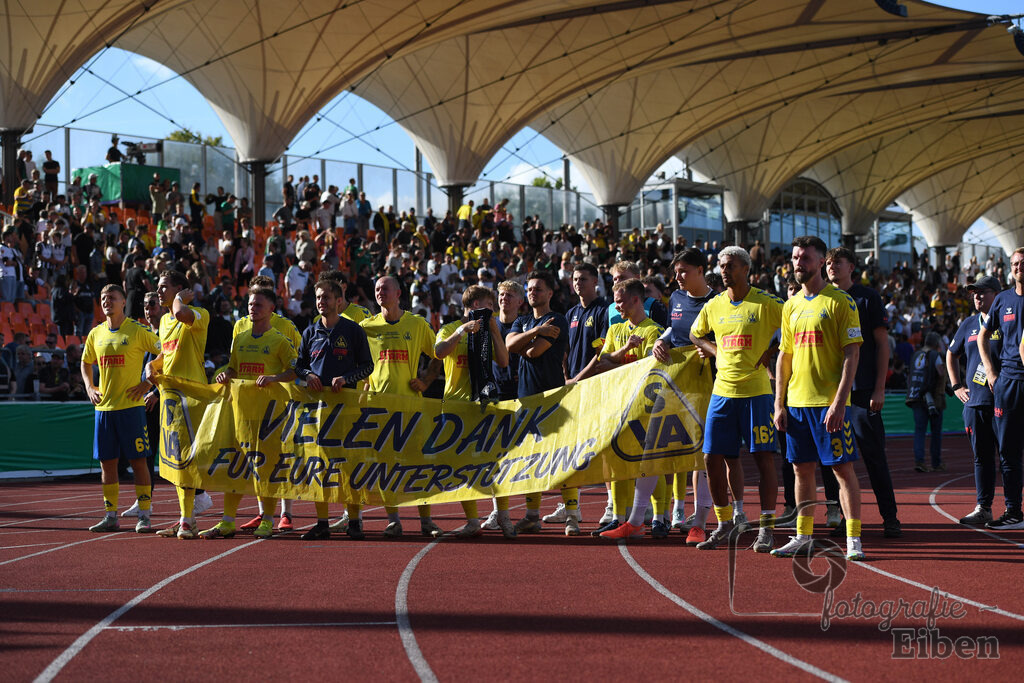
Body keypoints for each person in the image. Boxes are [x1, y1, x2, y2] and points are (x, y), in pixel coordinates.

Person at [679, 246, 782, 553]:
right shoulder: (714, 305)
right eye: (722, 266)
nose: (724, 270)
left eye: (731, 265)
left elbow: (793, 325)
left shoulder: (766, 302)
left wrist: (772, 350)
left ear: (746, 269)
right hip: (722, 392)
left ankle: (766, 528)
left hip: (757, 393)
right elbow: (695, 334)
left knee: (763, 459)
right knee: (711, 457)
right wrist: (715, 351)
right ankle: (725, 523)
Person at [772, 236, 866, 562]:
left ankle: (853, 538)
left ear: (821, 262)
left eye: (805, 258)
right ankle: (803, 536)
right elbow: (784, 356)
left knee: (842, 470)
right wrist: (779, 403)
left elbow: (852, 353)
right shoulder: (790, 305)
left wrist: (839, 402)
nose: (799, 263)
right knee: (801, 470)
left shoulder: (841, 302)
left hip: (829, 403)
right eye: (795, 257)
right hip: (797, 403)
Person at [565, 278, 663, 538]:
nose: (616, 306)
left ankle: (660, 517)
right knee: (617, 459)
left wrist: (616, 363)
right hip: (617, 403)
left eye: (620, 302)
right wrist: (626, 350)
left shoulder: (653, 330)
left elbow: (647, 367)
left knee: (651, 462)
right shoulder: (615, 329)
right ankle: (619, 518)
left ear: (636, 300)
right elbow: (603, 361)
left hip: (644, 406)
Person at [202, 286, 297, 540]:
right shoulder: (241, 338)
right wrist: (225, 374)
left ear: (271, 309)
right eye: (250, 304)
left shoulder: (279, 340)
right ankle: (227, 520)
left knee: (265, 468)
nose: (252, 308)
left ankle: (268, 519)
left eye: (258, 305)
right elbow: (233, 368)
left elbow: (294, 371)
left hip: (269, 417)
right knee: (235, 467)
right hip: (241, 414)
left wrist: (274, 378)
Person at [825, 247, 902, 538]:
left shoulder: (867, 298)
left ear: (852, 267)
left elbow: (882, 344)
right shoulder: (821, 298)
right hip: (830, 394)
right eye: (828, 263)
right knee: (835, 461)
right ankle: (845, 519)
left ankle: (890, 517)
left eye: (838, 262)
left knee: (874, 458)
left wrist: (879, 388)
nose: (832, 267)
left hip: (862, 392)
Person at [291, 279, 374, 541]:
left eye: (326, 297)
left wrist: (347, 379)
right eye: (318, 297)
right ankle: (322, 522)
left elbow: (368, 366)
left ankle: (354, 521)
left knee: (350, 465)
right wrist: (308, 375)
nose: (321, 302)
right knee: (319, 466)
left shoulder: (353, 330)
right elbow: (299, 366)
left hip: (347, 410)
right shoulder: (310, 331)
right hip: (317, 410)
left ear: (339, 301)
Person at [360, 275, 443, 538]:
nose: (380, 292)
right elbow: (359, 364)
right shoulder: (366, 327)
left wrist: (426, 380)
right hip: (379, 407)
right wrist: (364, 386)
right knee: (385, 466)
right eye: (377, 289)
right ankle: (393, 520)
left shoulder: (417, 324)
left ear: (398, 293)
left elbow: (438, 354)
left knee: (418, 464)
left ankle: (426, 520)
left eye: (385, 288)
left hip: (411, 406)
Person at [653, 248, 725, 545]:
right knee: (663, 447)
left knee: (703, 454)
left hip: (709, 385)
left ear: (701, 271)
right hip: (677, 384)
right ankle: (661, 515)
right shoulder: (676, 298)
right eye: (676, 272)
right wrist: (661, 340)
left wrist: (709, 348)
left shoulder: (718, 302)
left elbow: (725, 339)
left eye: (684, 271)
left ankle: (700, 522)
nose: (678, 277)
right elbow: (674, 328)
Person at [80, 284, 161, 533]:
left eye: (112, 298)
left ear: (123, 302)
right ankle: (110, 515)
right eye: (103, 298)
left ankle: (144, 515)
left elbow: (167, 354)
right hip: (104, 410)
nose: (107, 301)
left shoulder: (138, 330)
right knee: (107, 463)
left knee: (139, 462)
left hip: (131, 409)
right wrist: (90, 387)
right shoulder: (96, 333)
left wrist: (148, 382)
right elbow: (85, 362)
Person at [434, 285, 510, 538]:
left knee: (494, 462)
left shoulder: (489, 330)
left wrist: (495, 331)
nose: (493, 311)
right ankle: (472, 520)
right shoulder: (449, 328)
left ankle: (503, 515)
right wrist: (461, 331)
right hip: (455, 405)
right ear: (476, 305)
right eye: (489, 306)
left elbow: (504, 361)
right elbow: (439, 352)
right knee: (461, 465)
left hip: (484, 404)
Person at [232, 275, 303, 532]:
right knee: (254, 459)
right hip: (247, 405)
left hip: (278, 404)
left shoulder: (285, 327)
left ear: (272, 302)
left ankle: (286, 513)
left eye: (261, 298)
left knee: (278, 458)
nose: (254, 306)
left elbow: (298, 361)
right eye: (252, 299)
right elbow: (234, 363)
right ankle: (263, 512)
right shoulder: (240, 326)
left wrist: (278, 380)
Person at [147, 270, 213, 539]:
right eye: (158, 286)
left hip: (193, 398)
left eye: (164, 287)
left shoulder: (199, 314)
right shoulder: (164, 321)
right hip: (171, 399)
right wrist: (152, 366)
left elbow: (180, 314)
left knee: (188, 458)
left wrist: (179, 301)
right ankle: (187, 520)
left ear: (181, 290)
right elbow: (166, 353)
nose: (159, 291)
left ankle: (191, 518)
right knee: (176, 459)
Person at [542, 263, 607, 535]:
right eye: (575, 279)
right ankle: (571, 506)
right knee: (570, 449)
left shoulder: (604, 311)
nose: (578, 283)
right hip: (572, 388)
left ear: (595, 281)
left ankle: (613, 505)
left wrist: (578, 377)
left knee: (601, 446)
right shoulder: (570, 313)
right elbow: (565, 350)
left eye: (583, 279)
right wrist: (566, 376)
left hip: (595, 387)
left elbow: (602, 352)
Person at [505, 270, 570, 533]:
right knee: (531, 459)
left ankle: (572, 514)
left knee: (563, 457)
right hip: (526, 399)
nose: (532, 292)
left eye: (538, 289)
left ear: (550, 293)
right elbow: (509, 346)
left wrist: (525, 340)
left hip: (552, 398)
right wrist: (536, 330)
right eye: (530, 289)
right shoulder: (523, 320)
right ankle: (532, 515)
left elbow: (533, 351)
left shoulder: (557, 319)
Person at [947, 276, 1002, 526]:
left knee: (1010, 458)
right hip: (975, 403)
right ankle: (984, 508)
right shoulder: (969, 324)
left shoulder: (1007, 321)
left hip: (1004, 401)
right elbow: (951, 354)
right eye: (974, 293)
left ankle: (1013, 508)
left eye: (982, 291)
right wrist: (956, 386)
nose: (977, 296)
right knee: (982, 458)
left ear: (996, 295)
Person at [977, 248, 1024, 530]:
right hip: (1008, 384)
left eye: (1023, 263)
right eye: (1015, 263)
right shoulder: (1003, 300)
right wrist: (991, 372)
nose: (1018, 267)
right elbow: (982, 335)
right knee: (1008, 451)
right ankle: (1014, 512)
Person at [906, 332, 946, 472]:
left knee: (919, 430)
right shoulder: (935, 355)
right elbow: (941, 373)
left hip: (915, 396)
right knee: (936, 432)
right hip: (932, 397)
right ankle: (936, 462)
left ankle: (919, 461)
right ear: (936, 343)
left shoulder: (916, 354)